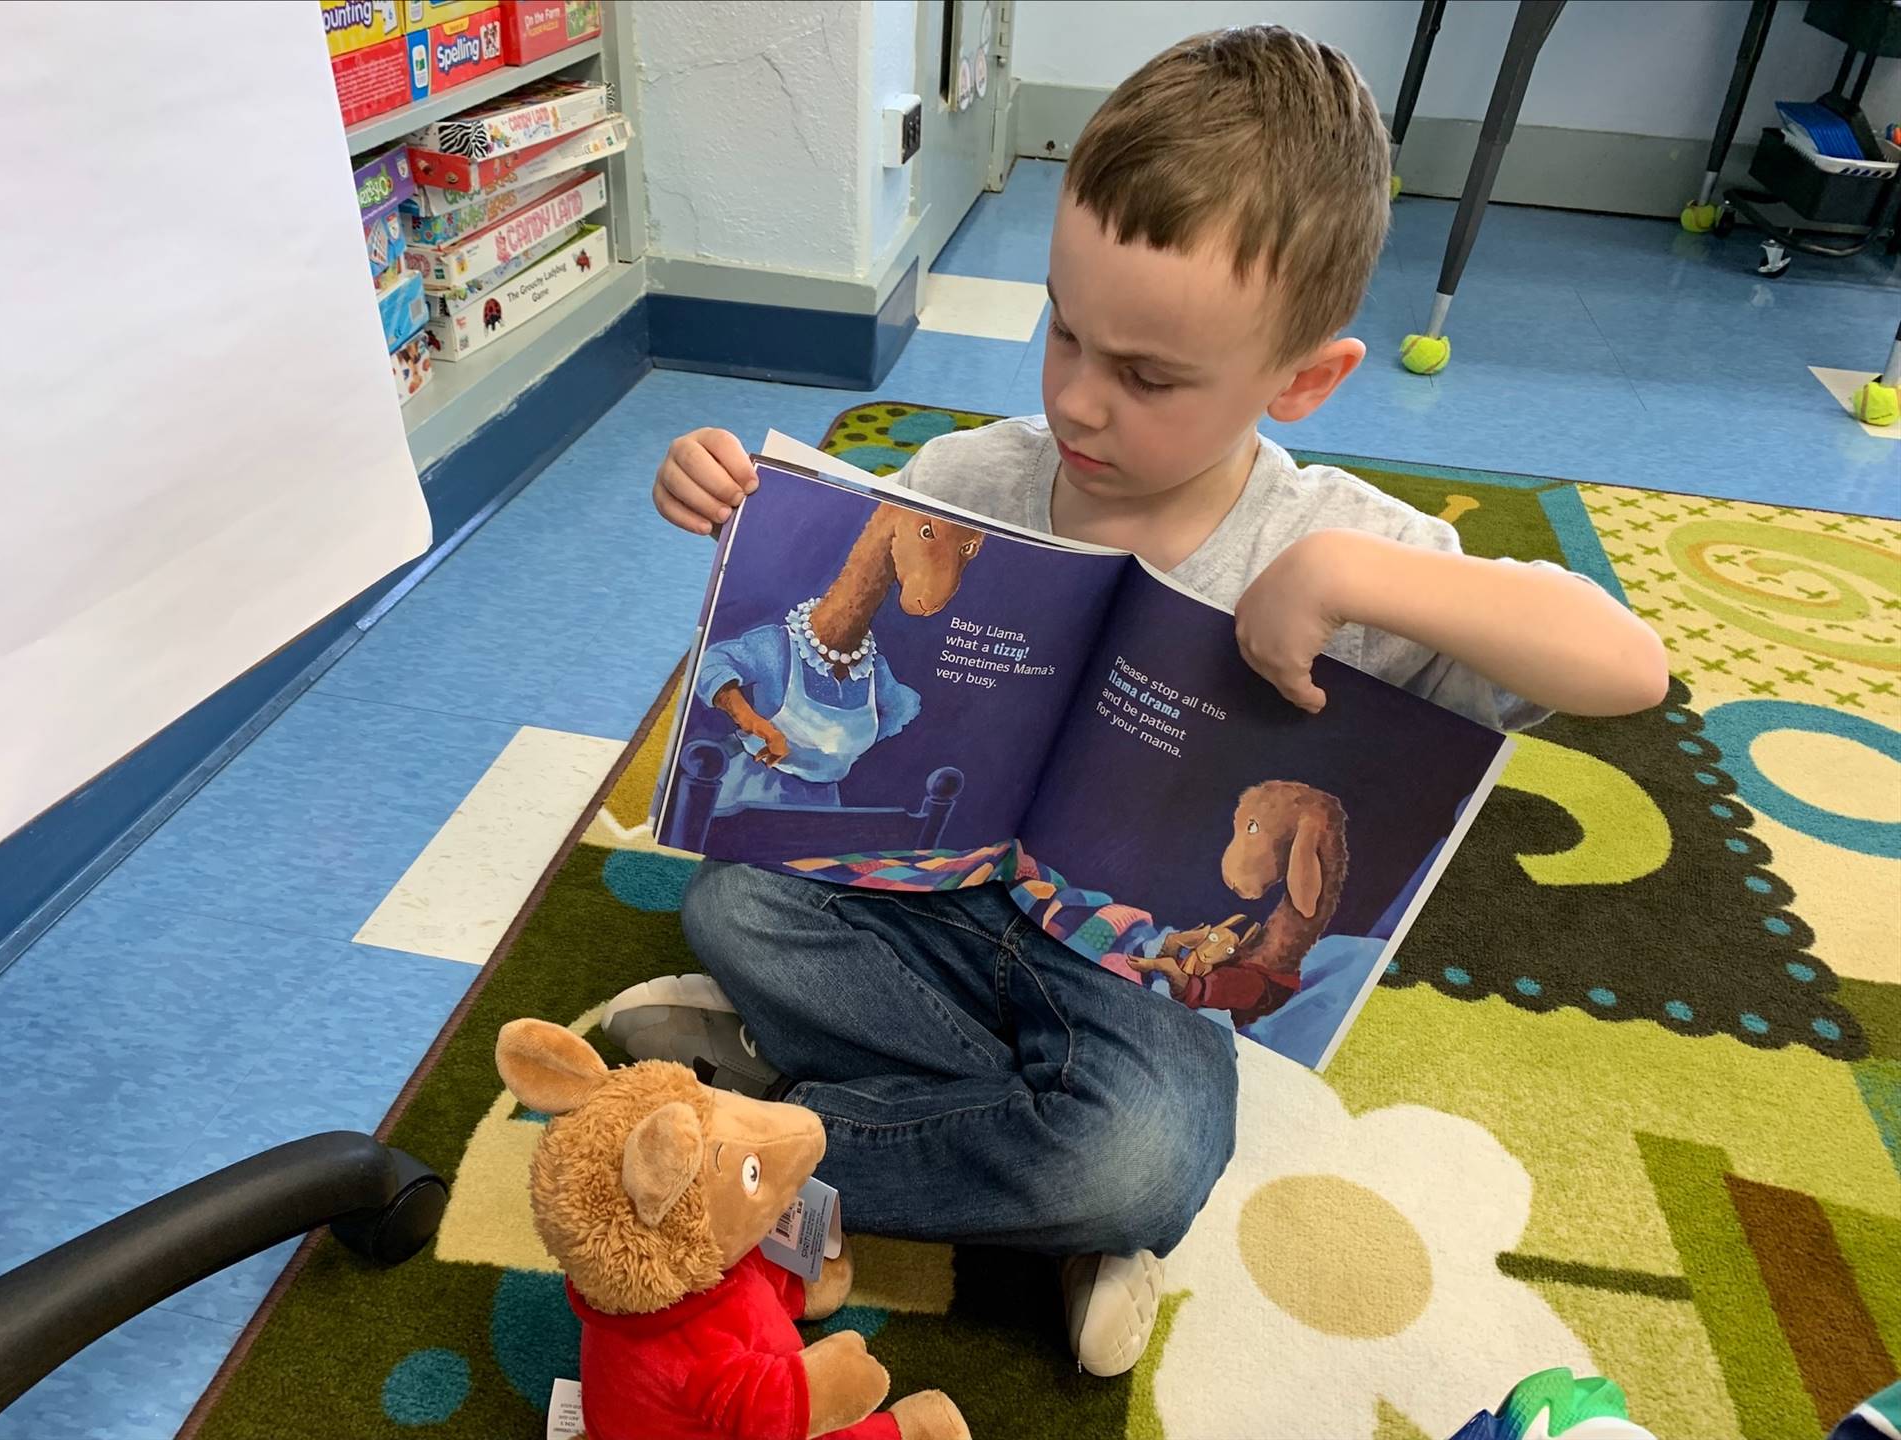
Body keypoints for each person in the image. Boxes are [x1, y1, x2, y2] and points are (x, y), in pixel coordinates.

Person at [608, 24, 1670, 1378]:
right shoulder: (977, 474)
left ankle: (766, 1147)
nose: (1079, 402)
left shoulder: (1342, 547)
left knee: (1143, 1154)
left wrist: (1350, 581)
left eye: (1151, 377)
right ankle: (1014, 1174)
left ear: (1303, 379)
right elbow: (841, 635)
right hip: (936, 893)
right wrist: (730, 512)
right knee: (733, 899)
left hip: (1136, 983)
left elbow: (1627, 668)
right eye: (1064, 329)